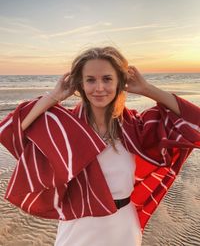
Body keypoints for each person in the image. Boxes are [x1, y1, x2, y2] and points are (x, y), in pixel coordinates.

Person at [0, 46, 200, 246]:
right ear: (80, 84)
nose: (99, 88)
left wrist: (148, 89)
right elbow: (8, 131)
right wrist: (54, 96)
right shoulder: (64, 127)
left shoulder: (134, 128)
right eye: (90, 80)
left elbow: (195, 122)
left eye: (107, 78)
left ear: (120, 82)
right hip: (78, 227)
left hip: (123, 227)